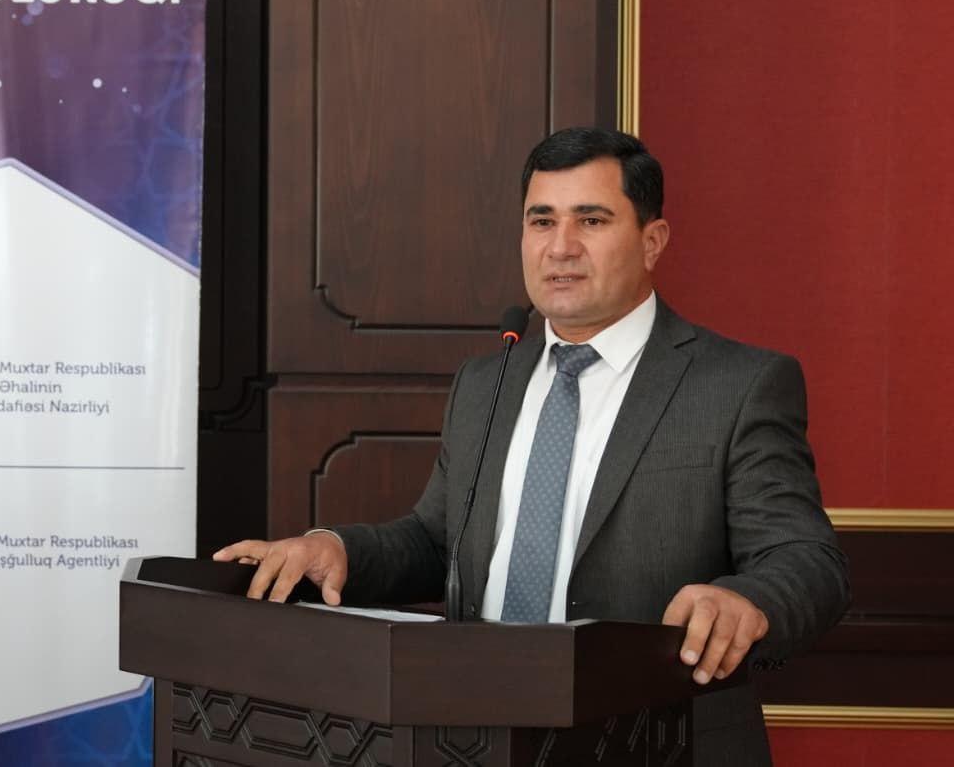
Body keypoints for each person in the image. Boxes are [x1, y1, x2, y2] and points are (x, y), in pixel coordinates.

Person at [215, 127, 849, 766]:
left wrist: (748, 601)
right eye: (541, 221)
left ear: (652, 241)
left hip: (658, 740)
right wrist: (336, 549)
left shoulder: (738, 384)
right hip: (475, 735)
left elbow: (806, 558)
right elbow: (438, 542)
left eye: (591, 220)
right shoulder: (485, 381)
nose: (561, 246)